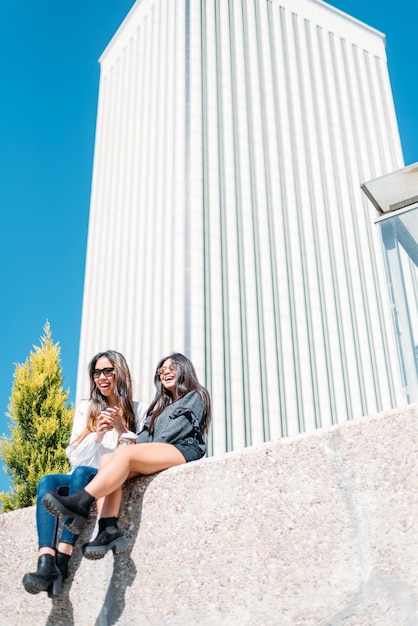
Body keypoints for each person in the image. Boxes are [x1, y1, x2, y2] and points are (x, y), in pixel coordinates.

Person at [42, 352, 211, 561]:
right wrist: (126, 440)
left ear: (184, 369)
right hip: (158, 451)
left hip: (182, 449)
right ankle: (108, 528)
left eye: (172, 367)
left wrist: (135, 447)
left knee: (122, 454)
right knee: (107, 460)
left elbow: (170, 435)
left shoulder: (196, 395)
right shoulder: (158, 409)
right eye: (162, 370)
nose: (166, 372)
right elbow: (142, 438)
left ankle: (81, 501)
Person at [23, 350, 146, 597]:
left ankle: (63, 557)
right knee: (48, 480)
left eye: (108, 371)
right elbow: (75, 455)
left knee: (82, 473)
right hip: (82, 473)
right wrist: (97, 435)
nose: (102, 377)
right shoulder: (86, 408)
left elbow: (134, 459)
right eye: (97, 372)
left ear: (119, 373)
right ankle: (46, 561)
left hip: (106, 479)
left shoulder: (138, 410)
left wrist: (121, 428)